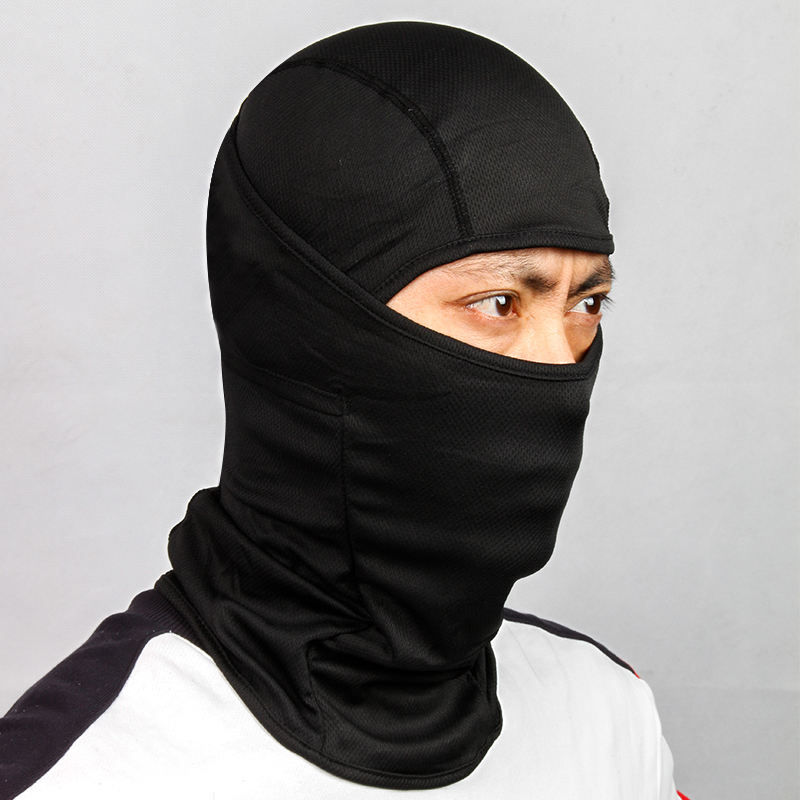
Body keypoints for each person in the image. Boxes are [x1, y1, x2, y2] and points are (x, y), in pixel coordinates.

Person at [0, 21, 689, 799]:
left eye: (588, 303)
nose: (561, 362)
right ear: (312, 330)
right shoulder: (80, 777)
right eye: (500, 302)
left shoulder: (609, 717)